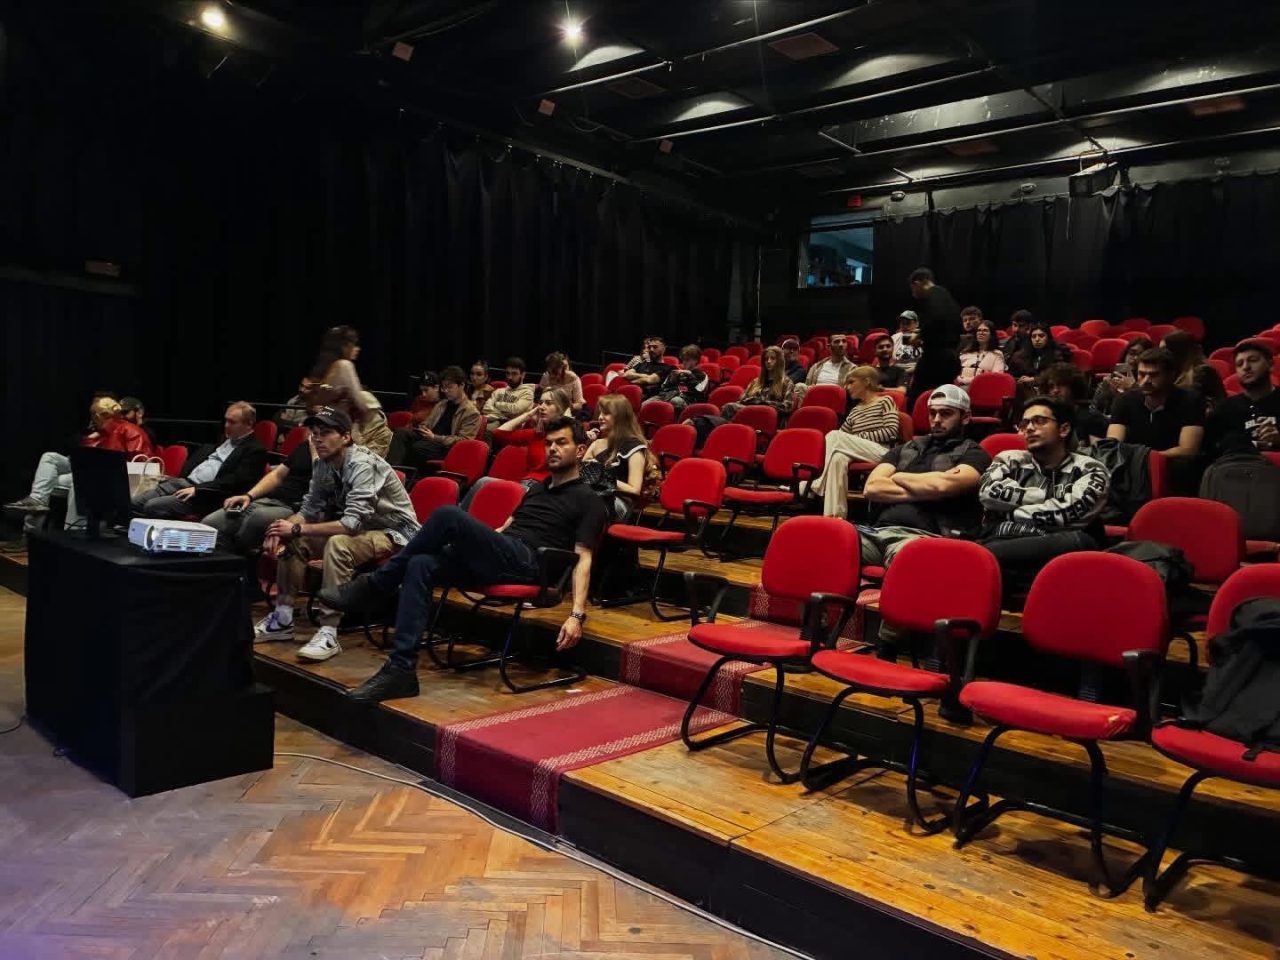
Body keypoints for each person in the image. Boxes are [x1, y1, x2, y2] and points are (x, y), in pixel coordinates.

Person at [320, 416, 610, 702]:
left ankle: (375, 585)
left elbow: (583, 557)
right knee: (421, 564)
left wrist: (576, 616)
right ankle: (401, 670)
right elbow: (504, 529)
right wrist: (468, 543)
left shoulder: (589, 501)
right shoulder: (537, 488)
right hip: (503, 554)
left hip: (531, 563)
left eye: (561, 443)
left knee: (448, 514)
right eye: (549, 443)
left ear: (580, 450)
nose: (552, 449)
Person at [253, 407, 419, 662]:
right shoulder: (323, 464)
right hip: (362, 530)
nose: (318, 439)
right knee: (295, 538)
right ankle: (282, 619)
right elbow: (308, 510)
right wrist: (283, 528)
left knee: (338, 543)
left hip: (394, 532)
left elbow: (351, 524)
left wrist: (296, 528)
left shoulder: (362, 464)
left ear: (346, 437)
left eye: (326, 432)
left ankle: (329, 631)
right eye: (315, 433)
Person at [976, 396, 1109, 584]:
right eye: (1025, 424)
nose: (1029, 428)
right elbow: (987, 493)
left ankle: (978, 558)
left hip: (1059, 546)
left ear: (1063, 429)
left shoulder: (1091, 469)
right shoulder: (1009, 459)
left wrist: (1010, 513)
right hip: (1003, 539)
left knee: (1079, 541)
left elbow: (1068, 514)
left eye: (1039, 421)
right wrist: (1042, 496)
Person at [859, 384, 991, 569]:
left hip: (924, 538)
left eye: (945, 413)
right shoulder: (905, 449)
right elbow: (872, 488)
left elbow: (942, 486)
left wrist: (898, 476)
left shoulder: (974, 454)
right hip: (877, 532)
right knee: (827, 543)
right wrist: (929, 490)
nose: (936, 420)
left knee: (908, 561)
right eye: (932, 413)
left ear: (966, 417)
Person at [6, 396, 156, 526]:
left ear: (101, 415)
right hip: (88, 469)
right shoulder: (96, 434)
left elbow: (142, 461)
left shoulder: (131, 431)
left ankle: (75, 528)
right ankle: (37, 501)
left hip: (113, 478)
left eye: (94, 415)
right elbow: (82, 456)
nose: (92, 419)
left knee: (76, 482)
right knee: (49, 458)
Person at [133, 402, 266, 520]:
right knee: (135, 502)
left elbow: (234, 482)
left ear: (249, 424)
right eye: (226, 420)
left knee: (152, 506)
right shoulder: (225, 440)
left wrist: (198, 489)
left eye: (232, 422)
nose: (226, 426)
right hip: (184, 483)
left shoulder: (255, 450)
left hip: (204, 495)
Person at [809, 366, 901, 519]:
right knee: (837, 458)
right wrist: (854, 438)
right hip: (858, 450)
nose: (847, 387)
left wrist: (860, 436)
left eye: (851, 382)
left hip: (882, 452)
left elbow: (891, 431)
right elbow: (843, 436)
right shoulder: (855, 410)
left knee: (834, 435)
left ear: (867, 382)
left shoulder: (885, 401)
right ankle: (834, 516)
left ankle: (816, 482)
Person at [202, 435, 316, 554]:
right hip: (269, 500)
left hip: (294, 507)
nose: (316, 436)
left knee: (257, 518)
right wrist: (248, 496)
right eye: (315, 431)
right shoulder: (305, 446)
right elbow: (277, 475)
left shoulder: (324, 458)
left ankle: (235, 558)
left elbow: (319, 491)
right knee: (211, 522)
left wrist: (315, 454)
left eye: (323, 432)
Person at [300, 325, 392, 458]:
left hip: (315, 435)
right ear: (344, 346)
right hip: (335, 437)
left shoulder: (320, 371)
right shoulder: (344, 366)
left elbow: (311, 405)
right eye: (354, 344)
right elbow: (362, 405)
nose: (357, 349)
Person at [1106, 348, 1205, 461]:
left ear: (1170, 375)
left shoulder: (1190, 400)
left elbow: (1188, 450)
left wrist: (1144, 459)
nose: (1146, 381)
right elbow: (1113, 444)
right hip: (1132, 465)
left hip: (1172, 465)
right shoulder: (1125, 400)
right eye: (1141, 374)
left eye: (1154, 375)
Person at [385, 366, 481, 470]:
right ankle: (392, 471)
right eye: (443, 388)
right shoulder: (442, 404)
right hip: (430, 439)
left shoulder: (471, 412)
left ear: (461, 385)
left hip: (446, 447)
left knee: (418, 447)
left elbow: (464, 441)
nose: (446, 391)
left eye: (449, 387)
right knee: (401, 433)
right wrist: (422, 428)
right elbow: (427, 423)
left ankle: (406, 473)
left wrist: (435, 437)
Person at [1205, 338, 1280, 456]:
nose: (1246, 367)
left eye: (1253, 360)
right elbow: (1210, 450)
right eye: (1239, 364)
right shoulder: (1225, 409)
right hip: (1235, 464)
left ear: (1270, 365)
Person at [583, 394, 651, 520]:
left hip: (618, 501)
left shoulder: (634, 446)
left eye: (606, 413)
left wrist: (603, 477)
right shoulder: (596, 444)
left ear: (620, 417)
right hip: (591, 495)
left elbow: (634, 490)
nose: (600, 417)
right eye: (600, 413)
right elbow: (583, 474)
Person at [906, 268, 963, 404]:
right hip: (950, 358)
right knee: (941, 399)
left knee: (917, 399)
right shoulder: (947, 297)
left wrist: (918, 336)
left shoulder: (933, 295)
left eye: (913, 289)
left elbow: (936, 319)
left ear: (917, 283)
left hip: (936, 360)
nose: (913, 293)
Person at [1038, 363, 1108, 444]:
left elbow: (1099, 450)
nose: (1055, 390)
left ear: (1073, 386)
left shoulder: (1091, 418)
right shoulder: (1047, 419)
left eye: (1061, 385)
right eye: (1051, 387)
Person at [722, 346, 799, 420]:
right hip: (749, 411)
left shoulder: (787, 382)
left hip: (767, 415)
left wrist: (764, 403)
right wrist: (753, 401)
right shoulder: (755, 382)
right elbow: (741, 400)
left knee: (730, 408)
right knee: (728, 407)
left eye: (773, 358)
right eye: (766, 359)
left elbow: (787, 406)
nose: (768, 361)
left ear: (779, 362)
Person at [1091, 336, 1152, 417]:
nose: (1135, 358)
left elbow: (1149, 410)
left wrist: (1133, 387)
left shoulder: (1150, 381)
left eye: (1141, 355)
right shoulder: (1113, 379)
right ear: (1125, 354)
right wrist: (1105, 392)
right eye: (1132, 353)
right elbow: (1094, 409)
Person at [1009, 321, 1070, 386]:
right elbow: (1011, 377)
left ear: (1048, 338)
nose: (1037, 339)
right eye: (1033, 336)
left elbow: (1058, 374)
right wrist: (1019, 380)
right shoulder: (1019, 356)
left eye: (1041, 336)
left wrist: (1035, 380)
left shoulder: (1057, 354)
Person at [656, 344, 711, 412]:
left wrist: (690, 375)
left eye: (687, 360)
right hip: (670, 396)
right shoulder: (678, 371)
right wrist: (672, 380)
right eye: (683, 360)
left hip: (689, 402)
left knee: (675, 401)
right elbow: (663, 387)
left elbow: (699, 391)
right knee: (649, 402)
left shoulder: (702, 375)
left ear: (696, 360)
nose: (684, 362)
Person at [486, 357, 536, 428]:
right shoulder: (498, 391)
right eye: (508, 373)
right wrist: (502, 416)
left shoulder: (527, 393)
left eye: (514, 374)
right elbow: (486, 408)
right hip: (492, 421)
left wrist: (496, 404)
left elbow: (515, 409)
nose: (510, 377)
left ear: (523, 375)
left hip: (512, 428)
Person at [956, 319, 1007, 387]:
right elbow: (954, 372)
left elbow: (996, 377)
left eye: (985, 330)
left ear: (991, 335)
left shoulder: (997, 354)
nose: (981, 333)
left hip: (983, 387)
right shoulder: (965, 352)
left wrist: (968, 380)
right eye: (979, 330)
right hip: (960, 386)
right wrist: (959, 379)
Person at [891, 310, 923, 375]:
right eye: (902, 323)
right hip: (898, 374)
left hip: (919, 373)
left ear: (917, 324)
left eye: (908, 323)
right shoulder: (894, 338)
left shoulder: (923, 337)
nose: (905, 326)